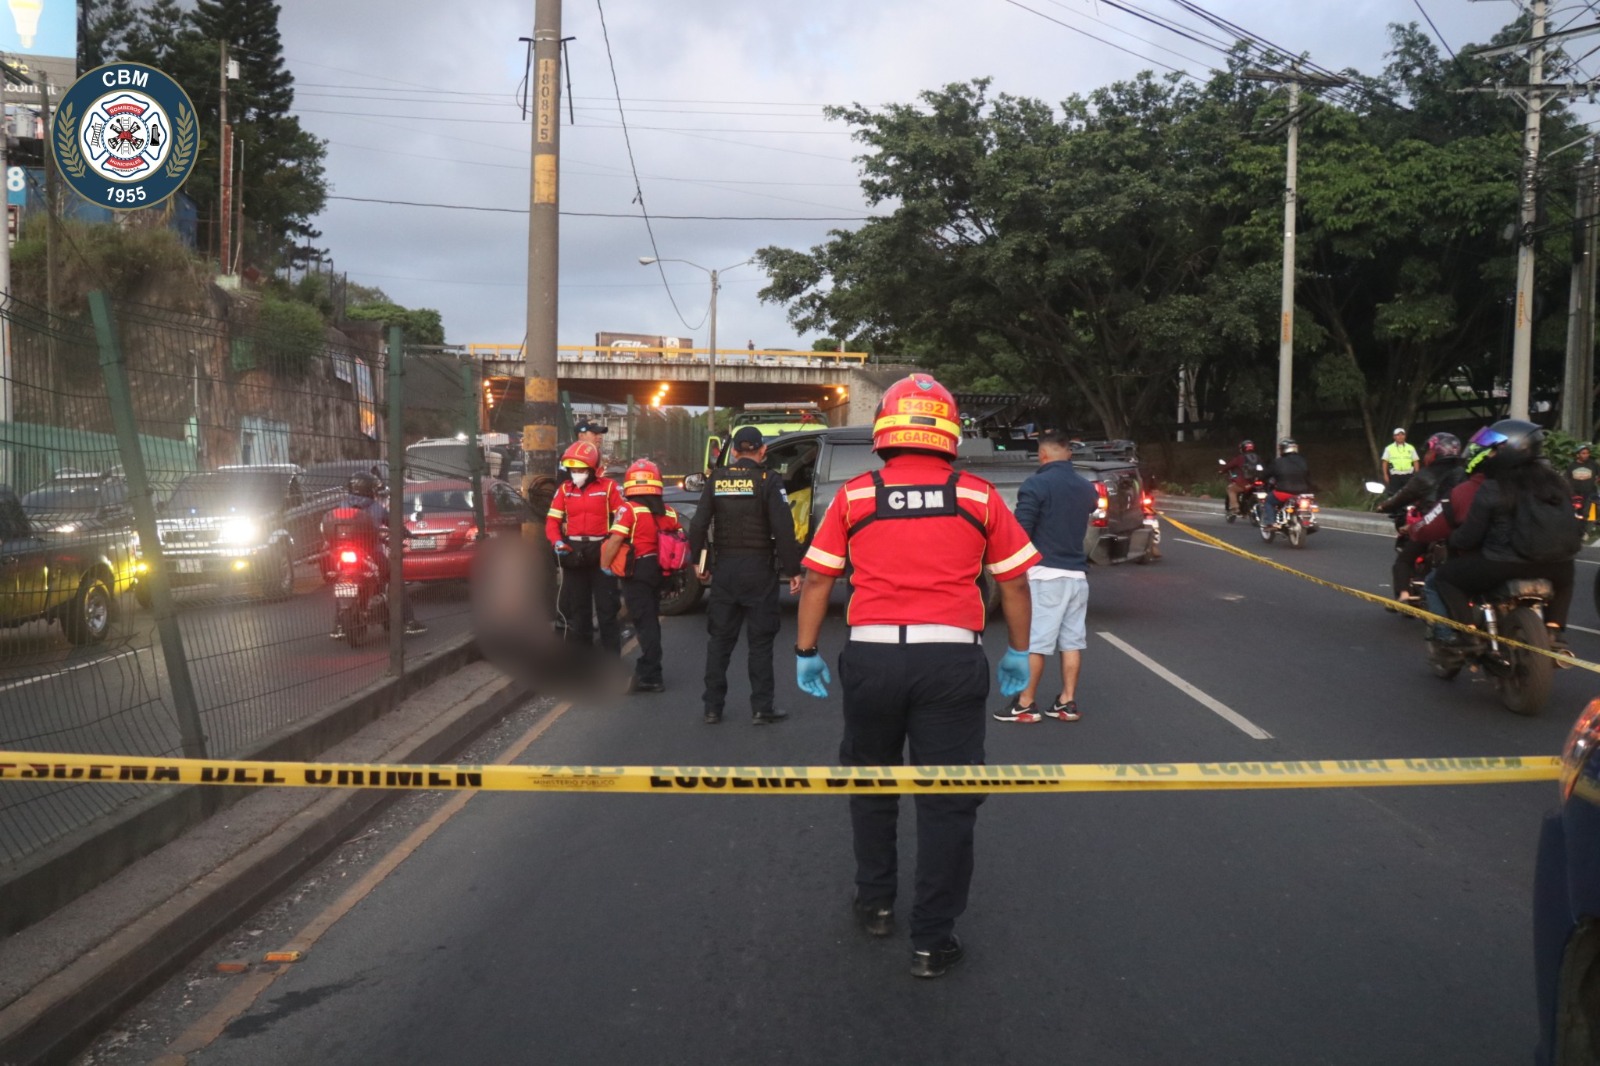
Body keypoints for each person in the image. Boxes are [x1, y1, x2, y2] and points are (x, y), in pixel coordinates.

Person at [792, 373, 1039, 980]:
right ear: (950, 431)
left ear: (885, 432)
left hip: (871, 658)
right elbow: (1013, 581)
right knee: (948, 801)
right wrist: (1019, 650)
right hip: (950, 661)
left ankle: (876, 904)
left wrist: (805, 650)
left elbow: (820, 580)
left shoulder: (855, 496)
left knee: (872, 782)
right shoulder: (979, 496)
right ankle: (932, 940)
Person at [688, 425, 803, 725]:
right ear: (762, 451)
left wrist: (698, 563)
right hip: (759, 571)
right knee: (761, 643)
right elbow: (784, 528)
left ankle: (712, 708)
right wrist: (793, 570)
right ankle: (761, 708)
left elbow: (699, 524)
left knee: (719, 642)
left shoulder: (717, 479)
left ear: (735, 452)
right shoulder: (769, 479)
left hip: (725, 571)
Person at [1432, 420, 1578, 653]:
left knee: (1445, 578)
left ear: (1510, 450)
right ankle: (1554, 630)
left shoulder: (1493, 486)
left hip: (1502, 563)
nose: (1489, 454)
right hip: (1555, 566)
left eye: (1493, 449)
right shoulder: (1557, 483)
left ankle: (1469, 635)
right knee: (1567, 576)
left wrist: (1453, 540)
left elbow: (1470, 536)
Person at [992, 428, 1099, 723]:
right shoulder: (1086, 487)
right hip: (1077, 576)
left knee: (1036, 641)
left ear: (1042, 455)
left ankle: (1025, 704)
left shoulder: (1035, 485)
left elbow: (1021, 531)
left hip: (1045, 575)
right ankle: (1067, 702)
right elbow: (1088, 509)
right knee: (1072, 641)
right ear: (1069, 453)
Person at [601, 459, 681, 694]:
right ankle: (650, 671)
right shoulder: (669, 512)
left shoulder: (629, 510)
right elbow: (678, 537)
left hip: (637, 571)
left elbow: (616, 540)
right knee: (650, 618)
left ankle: (650, 674)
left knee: (644, 623)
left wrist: (605, 565)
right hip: (661, 571)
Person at [325, 472, 426, 638]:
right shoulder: (375, 507)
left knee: (343, 582)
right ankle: (409, 621)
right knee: (395, 579)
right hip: (371, 553)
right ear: (369, 489)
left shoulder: (342, 506)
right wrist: (405, 533)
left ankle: (338, 625)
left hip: (343, 554)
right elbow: (392, 523)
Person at [545, 440, 624, 651]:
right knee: (579, 612)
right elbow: (552, 522)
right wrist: (557, 542)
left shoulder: (609, 488)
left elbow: (624, 518)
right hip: (573, 552)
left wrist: (612, 544)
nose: (576, 473)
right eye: (573, 469)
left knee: (607, 609)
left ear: (593, 470)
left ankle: (611, 661)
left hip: (602, 552)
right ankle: (583, 663)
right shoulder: (564, 490)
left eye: (581, 469)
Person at [1375, 432, 1467, 602]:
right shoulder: (1464, 471)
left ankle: (1403, 596)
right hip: (1461, 526)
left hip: (1432, 523)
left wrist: (1382, 506)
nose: (1426, 455)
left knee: (1403, 561)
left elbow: (1403, 496)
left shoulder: (1426, 475)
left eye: (1429, 451)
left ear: (1437, 452)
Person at [1259, 439, 1311, 527]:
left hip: (1283, 492)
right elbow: (1308, 476)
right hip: (1302, 493)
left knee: (1268, 501)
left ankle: (1271, 522)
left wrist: (1261, 479)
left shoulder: (1278, 462)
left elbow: (1267, 474)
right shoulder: (1303, 461)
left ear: (1283, 449)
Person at [1381, 428, 1420, 511]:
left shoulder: (1410, 448)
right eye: (1398, 435)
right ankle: (1395, 511)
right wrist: (1385, 474)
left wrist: (1416, 474)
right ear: (1394, 437)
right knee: (1394, 494)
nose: (1400, 437)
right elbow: (1385, 462)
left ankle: (1408, 511)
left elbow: (1415, 461)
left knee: (1409, 494)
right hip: (1395, 475)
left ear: (1405, 436)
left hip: (1408, 475)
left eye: (1402, 434)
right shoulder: (1389, 448)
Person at [1223, 440, 1263, 517]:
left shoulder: (1240, 458)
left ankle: (1235, 508)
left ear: (1242, 448)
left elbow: (1229, 466)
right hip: (1258, 482)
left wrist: (1222, 470)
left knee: (1231, 489)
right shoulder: (1258, 457)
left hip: (1245, 483)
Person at [1568, 442, 1599, 518]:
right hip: (1576, 494)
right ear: (1578, 455)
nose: (1586, 455)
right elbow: (1567, 478)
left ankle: (1588, 528)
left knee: (1588, 514)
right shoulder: (1572, 466)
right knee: (1577, 514)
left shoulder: (1593, 464)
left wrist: (1596, 481)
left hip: (1590, 493)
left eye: (1587, 453)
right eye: (1583, 453)